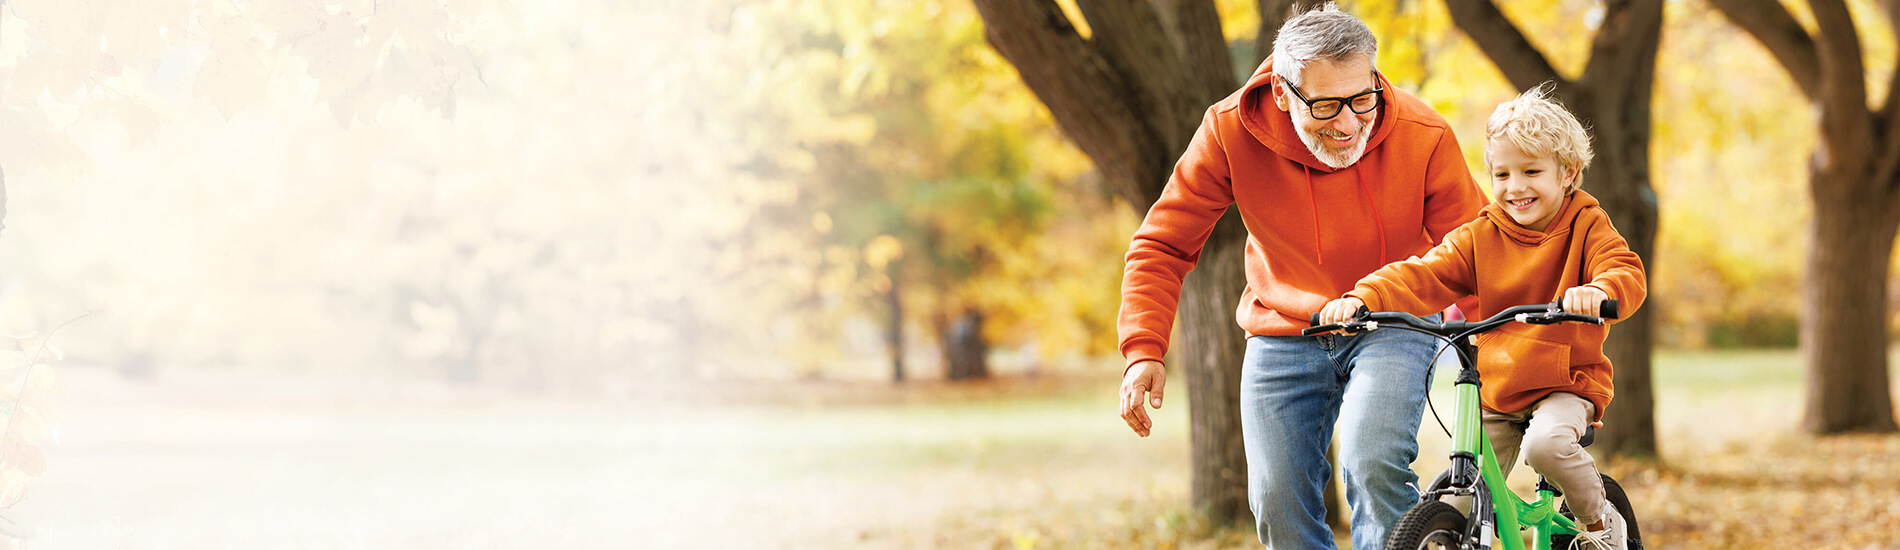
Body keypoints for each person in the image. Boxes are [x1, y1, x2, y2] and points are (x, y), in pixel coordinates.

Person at [1114, 4, 1486, 548]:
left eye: (1362, 100)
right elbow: (1162, 242)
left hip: (1395, 319)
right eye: (1327, 105)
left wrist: (1521, 357)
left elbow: (1476, 257)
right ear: (1284, 93)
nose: (1348, 123)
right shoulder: (1229, 131)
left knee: (1372, 459)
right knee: (1276, 498)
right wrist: (1143, 349)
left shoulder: (1421, 133)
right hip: (1286, 328)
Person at [1317, 84, 1647, 550]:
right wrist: (1362, 297)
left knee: (1545, 446)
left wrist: (1598, 291)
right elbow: (1423, 273)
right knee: (1461, 497)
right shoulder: (1480, 235)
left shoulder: (1586, 225)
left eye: (1532, 171)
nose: (1516, 187)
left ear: (1568, 172)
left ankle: (1599, 524)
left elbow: (1623, 270)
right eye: (1502, 174)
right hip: (1497, 387)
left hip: (1565, 383)